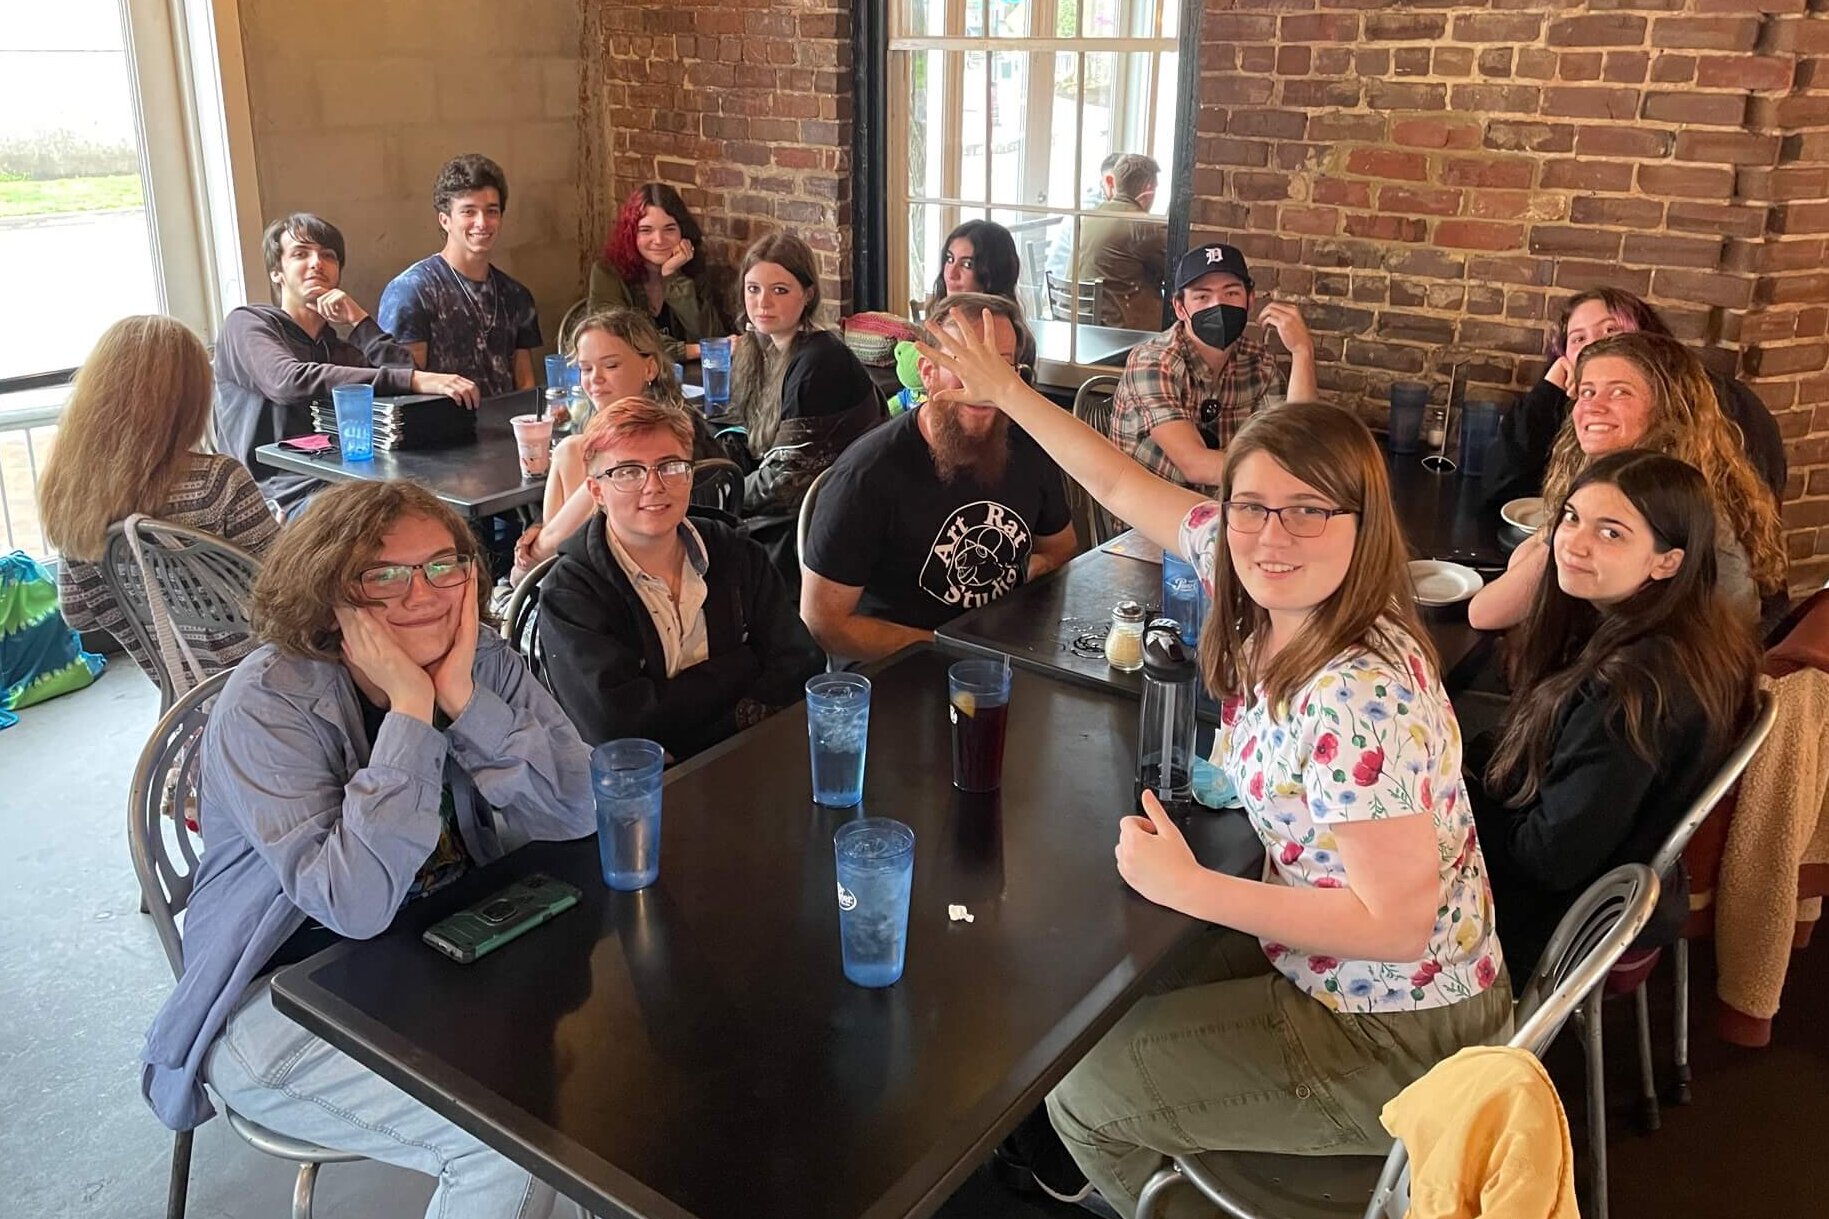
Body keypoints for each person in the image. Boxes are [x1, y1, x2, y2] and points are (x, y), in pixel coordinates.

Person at [917, 315, 1510, 1215]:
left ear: (1362, 525)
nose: (1272, 535)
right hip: (1334, 972)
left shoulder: (1357, 697)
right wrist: (1007, 391)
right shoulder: (1257, 571)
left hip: (1396, 1035)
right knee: (1091, 1004)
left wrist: (1192, 886)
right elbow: (1116, 478)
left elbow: (1394, 926)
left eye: (1309, 509)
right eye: (1250, 505)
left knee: (1080, 1091)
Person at [138, 480, 595, 1219]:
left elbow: (578, 810)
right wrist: (413, 709)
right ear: (330, 596)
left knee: (592, 1088)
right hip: (282, 998)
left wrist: (463, 699)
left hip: (441, 961)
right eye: (382, 575)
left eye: (443, 565)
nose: (424, 594)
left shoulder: (480, 660)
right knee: (507, 1144)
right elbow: (351, 904)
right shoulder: (268, 703)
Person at [1469, 450, 1761, 977]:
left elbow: (1549, 859)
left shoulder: (1631, 690)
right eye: (1572, 517)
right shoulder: (1693, 630)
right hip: (1616, 867)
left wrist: (1450, 798)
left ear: (1666, 561)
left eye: (1611, 533)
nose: (1574, 543)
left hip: (1561, 917)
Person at [538, 396, 823, 760]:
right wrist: (742, 664)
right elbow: (619, 727)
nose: (653, 485)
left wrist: (685, 717)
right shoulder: (570, 593)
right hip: (652, 784)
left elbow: (800, 661)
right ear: (597, 492)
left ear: (690, 475)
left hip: (750, 755)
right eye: (628, 472)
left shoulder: (737, 553)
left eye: (670, 466)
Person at [800, 294, 1078, 664]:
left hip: (1005, 653)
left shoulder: (1030, 446)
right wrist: (954, 649)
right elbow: (824, 622)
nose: (982, 381)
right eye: (962, 361)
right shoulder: (865, 476)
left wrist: (1022, 576)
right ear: (928, 373)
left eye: (1000, 365)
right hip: (900, 667)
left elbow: (1061, 548)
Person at [1468, 331, 1787, 633]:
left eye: (1620, 392)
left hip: (1680, 665)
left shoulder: (1648, 494)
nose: (1593, 406)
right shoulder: (1679, 473)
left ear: (1668, 407)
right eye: (1587, 391)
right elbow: (1529, 557)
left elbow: (1485, 613)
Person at [40, 315, 279, 684]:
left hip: (182, 689)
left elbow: (79, 615)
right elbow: (287, 595)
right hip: (264, 680)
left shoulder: (73, 492)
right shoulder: (219, 481)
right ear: (189, 399)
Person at [214, 213, 478, 517]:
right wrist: (413, 380)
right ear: (277, 272)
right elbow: (287, 381)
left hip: (343, 486)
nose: (316, 263)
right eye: (301, 254)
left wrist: (359, 320)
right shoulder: (248, 323)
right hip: (272, 499)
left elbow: (404, 377)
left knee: (438, 505)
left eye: (328, 255)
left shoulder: (338, 350)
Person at [1483, 286, 1786, 508]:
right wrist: (1547, 391)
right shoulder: (1580, 404)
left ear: (1646, 334)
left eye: (1610, 330)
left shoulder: (1705, 399)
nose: (1593, 345)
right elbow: (1497, 484)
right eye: (1578, 339)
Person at [514, 308, 724, 576]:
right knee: (569, 451)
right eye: (585, 369)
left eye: (611, 365)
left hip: (657, 553)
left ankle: (537, 572)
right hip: (597, 551)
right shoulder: (599, 426)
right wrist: (538, 530)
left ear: (650, 368)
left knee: (571, 451)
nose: (595, 379)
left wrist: (538, 548)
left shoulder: (664, 434)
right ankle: (542, 572)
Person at [1108, 243, 1317, 491]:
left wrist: (1302, 352)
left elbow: (1295, 444)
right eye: (1202, 297)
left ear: (1250, 300)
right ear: (1180, 308)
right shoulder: (1153, 362)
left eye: (1231, 293)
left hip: (1225, 505)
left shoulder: (1259, 363)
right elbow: (1195, 464)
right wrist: (1282, 472)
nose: (1217, 305)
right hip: (1150, 507)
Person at [727, 231, 883, 523]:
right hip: (799, 506)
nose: (763, 302)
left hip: (828, 516)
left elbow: (785, 482)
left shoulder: (819, 362)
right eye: (753, 289)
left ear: (808, 294)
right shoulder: (763, 346)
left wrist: (722, 494)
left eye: (780, 290)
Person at [378, 153, 542, 398]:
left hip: (508, 421)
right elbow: (403, 386)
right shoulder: (412, 290)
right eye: (468, 211)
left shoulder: (516, 294)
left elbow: (525, 385)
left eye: (492, 211)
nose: (482, 222)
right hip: (440, 421)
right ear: (445, 220)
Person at [589, 183, 732, 362]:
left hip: (686, 377)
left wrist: (673, 277)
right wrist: (693, 350)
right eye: (646, 230)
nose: (658, 240)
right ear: (631, 234)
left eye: (669, 229)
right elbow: (620, 338)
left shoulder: (692, 269)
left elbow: (711, 335)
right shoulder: (606, 272)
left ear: (683, 232)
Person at [1071, 153, 1168, 330]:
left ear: (1115, 183)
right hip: (1118, 327)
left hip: (1080, 319)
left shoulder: (1090, 215)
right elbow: (1172, 270)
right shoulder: (1145, 225)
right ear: (1149, 188)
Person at [1045, 152, 1123, 285]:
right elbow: (1092, 256)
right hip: (1064, 290)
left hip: (1074, 283)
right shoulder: (1090, 210)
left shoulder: (1105, 201)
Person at [930, 219, 1022, 309]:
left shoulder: (990, 318)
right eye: (950, 259)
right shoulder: (948, 314)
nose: (951, 274)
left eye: (967, 265)